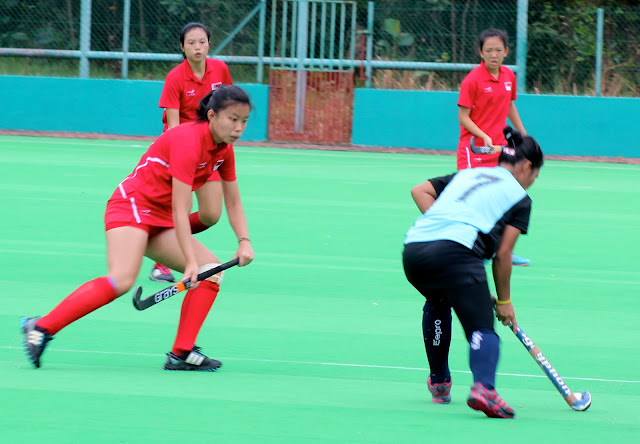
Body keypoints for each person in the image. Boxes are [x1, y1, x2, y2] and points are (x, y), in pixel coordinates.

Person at [21, 85, 254, 372]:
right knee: (121, 279)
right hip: (131, 206)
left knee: (212, 271)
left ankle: (181, 352)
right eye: (233, 119)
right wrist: (189, 262)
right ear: (212, 115)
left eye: (244, 121)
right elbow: (181, 209)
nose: (238, 128)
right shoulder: (188, 141)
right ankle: (40, 328)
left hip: (160, 217)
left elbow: (233, 201)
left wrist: (244, 240)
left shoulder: (223, 150)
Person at [403, 127, 543, 418]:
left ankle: (439, 382)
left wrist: (443, 229)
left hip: (415, 251)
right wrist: (504, 302)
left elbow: (420, 191)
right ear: (527, 167)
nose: (531, 183)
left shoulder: (468, 175)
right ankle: (484, 389)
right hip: (457, 254)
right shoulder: (519, 197)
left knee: (438, 300)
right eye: (535, 177)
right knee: (482, 328)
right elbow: (503, 255)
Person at [151, 22, 234, 283]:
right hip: (183, 151)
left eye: (202, 42)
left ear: (209, 44)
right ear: (182, 47)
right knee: (181, 207)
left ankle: (170, 239)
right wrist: (182, 155)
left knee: (211, 215)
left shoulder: (220, 69)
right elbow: (173, 126)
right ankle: (161, 261)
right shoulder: (175, 77)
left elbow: (229, 107)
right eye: (191, 43)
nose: (197, 47)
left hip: (210, 150)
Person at [456, 28, 530, 266]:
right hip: (474, 150)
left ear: (506, 51)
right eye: (489, 50)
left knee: (504, 197)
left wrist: (522, 133)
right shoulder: (472, 80)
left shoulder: (509, 76)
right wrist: (483, 135)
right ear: (481, 52)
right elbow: (463, 117)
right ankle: (466, 247)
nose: (494, 55)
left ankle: (503, 251)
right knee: (472, 200)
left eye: (498, 50)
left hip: (499, 149)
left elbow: (509, 105)